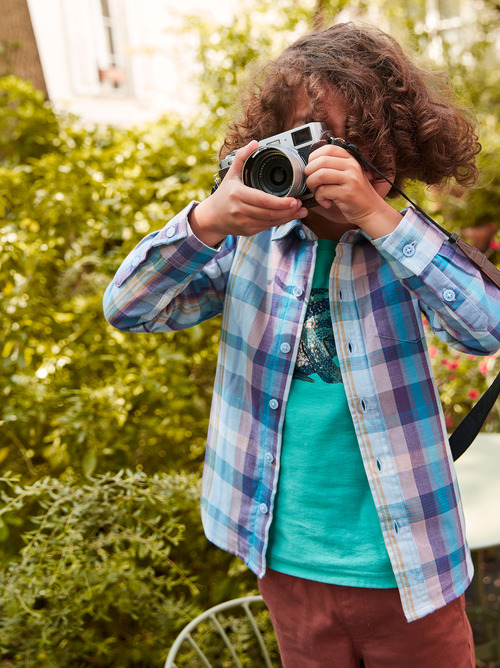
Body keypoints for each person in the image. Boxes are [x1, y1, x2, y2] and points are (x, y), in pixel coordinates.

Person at [103, 22, 500, 667]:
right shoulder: (242, 245)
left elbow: (486, 328)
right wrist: (206, 220)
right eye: (312, 141)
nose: (333, 163)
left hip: (408, 569)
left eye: (359, 143)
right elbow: (130, 307)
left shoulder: (405, 244)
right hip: (287, 560)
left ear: (396, 149)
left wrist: (379, 219)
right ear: (269, 146)